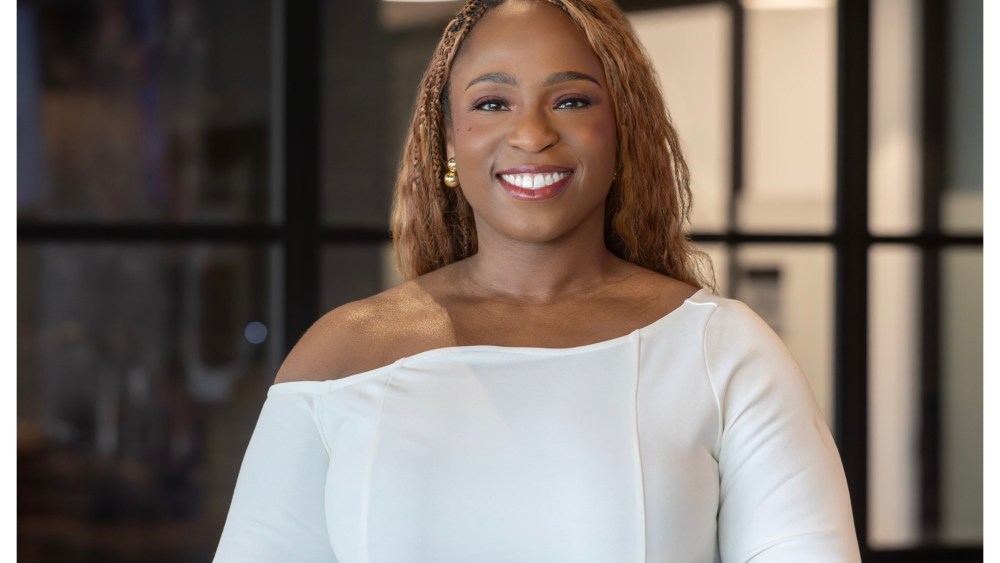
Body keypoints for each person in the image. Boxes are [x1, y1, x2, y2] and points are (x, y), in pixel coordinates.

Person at [214, 0, 861, 561]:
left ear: (621, 130)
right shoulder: (337, 358)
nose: (531, 133)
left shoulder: (723, 353)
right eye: (492, 103)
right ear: (448, 141)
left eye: (572, 100)